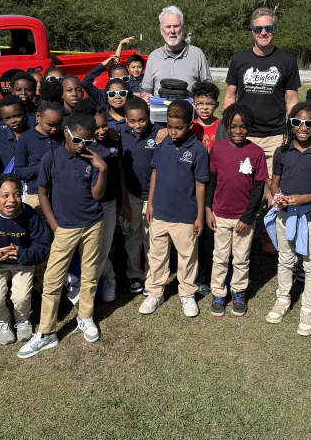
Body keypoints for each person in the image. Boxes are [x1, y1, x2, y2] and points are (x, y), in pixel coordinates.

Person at [19, 112, 108, 357]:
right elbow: (43, 192)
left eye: (88, 142)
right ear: (66, 133)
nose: (83, 146)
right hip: (65, 227)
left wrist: (103, 169)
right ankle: (47, 332)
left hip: (93, 223)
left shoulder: (92, 158)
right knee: (53, 279)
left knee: (90, 274)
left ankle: (85, 316)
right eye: (78, 140)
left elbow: (98, 196)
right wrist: (54, 224)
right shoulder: (51, 157)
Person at [224, 7, 301, 253]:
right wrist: (228, 127)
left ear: (274, 30)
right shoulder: (239, 59)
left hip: (274, 134)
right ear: (252, 31)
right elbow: (230, 96)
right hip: (244, 135)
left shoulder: (287, 60)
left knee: (272, 185)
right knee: (243, 184)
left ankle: (270, 235)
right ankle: (241, 228)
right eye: (259, 28)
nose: (264, 32)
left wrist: (290, 130)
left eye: (269, 28)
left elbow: (292, 100)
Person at [264, 103, 311, 336]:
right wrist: (277, 196)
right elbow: (275, 180)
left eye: (309, 123)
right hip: (284, 215)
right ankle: (282, 299)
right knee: (285, 259)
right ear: (291, 124)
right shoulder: (282, 151)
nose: (303, 128)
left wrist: (303, 199)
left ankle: (308, 308)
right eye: (297, 122)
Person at [140, 100, 209, 318]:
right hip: (159, 212)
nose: (173, 131)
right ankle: (155, 292)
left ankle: (187, 294)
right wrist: (150, 204)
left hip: (185, 215)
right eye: (170, 126)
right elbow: (154, 174)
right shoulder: (162, 146)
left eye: (178, 127)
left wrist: (199, 216)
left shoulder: (198, 150)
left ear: (190, 124)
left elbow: (200, 185)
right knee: (157, 256)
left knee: (187, 257)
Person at [0, 174, 50, 345]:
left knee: (21, 297)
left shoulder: (30, 215)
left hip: (23, 263)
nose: (11, 200)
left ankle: (22, 321)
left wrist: (23, 253)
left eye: (17, 194)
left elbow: (43, 246)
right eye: (5, 196)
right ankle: (3, 323)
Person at [205, 104, 267, 318]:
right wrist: (208, 210)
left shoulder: (257, 153)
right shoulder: (218, 149)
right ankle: (218, 294)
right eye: (233, 126)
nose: (238, 131)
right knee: (220, 257)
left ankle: (238, 292)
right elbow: (212, 183)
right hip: (220, 214)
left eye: (243, 127)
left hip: (244, 219)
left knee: (241, 258)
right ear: (227, 126)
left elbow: (259, 189)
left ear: (249, 127)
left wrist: (247, 217)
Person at [73, 99, 128, 303]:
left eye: (105, 125)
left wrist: (124, 202)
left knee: (104, 248)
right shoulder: (83, 145)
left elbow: (120, 171)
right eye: (96, 127)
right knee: (89, 250)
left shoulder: (114, 139)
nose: (102, 130)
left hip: (108, 203)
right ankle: (101, 279)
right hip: (87, 206)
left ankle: (108, 278)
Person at [120, 97, 161, 294]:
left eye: (142, 120)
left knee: (152, 237)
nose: (137, 125)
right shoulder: (120, 135)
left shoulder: (159, 132)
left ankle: (151, 275)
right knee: (133, 237)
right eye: (132, 121)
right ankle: (134, 274)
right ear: (126, 119)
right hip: (131, 196)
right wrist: (125, 201)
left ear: (148, 117)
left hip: (154, 197)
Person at [191, 79, 228, 294]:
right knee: (196, 232)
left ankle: (215, 272)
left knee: (213, 234)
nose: (204, 108)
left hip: (216, 187)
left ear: (216, 104)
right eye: (200, 103)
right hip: (192, 186)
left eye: (209, 103)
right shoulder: (189, 125)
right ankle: (197, 273)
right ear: (193, 104)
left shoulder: (222, 126)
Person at [141, 6, 211, 98]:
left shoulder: (197, 54)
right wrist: (145, 96)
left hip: (189, 111)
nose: (172, 31)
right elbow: (146, 89)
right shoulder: (153, 56)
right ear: (161, 30)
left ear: (182, 28)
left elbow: (208, 86)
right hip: (161, 111)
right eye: (168, 27)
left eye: (176, 26)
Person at [13, 99, 65, 214]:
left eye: (58, 124)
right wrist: (44, 167)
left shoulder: (63, 137)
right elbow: (19, 172)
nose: (55, 128)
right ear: (38, 116)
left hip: (61, 195)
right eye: (50, 125)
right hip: (35, 196)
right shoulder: (25, 138)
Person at [80, 37, 134, 107]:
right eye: (116, 80)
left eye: (125, 79)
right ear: (109, 80)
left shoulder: (132, 96)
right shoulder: (102, 96)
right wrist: (103, 65)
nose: (121, 82)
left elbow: (117, 62)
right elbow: (85, 82)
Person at [0, 95, 30, 175]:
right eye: (7, 118)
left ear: (24, 112)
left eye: (17, 116)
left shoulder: (35, 134)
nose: (12, 121)